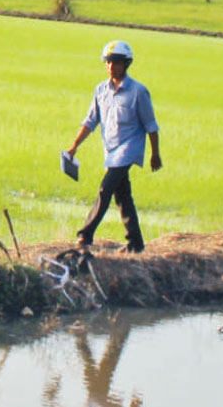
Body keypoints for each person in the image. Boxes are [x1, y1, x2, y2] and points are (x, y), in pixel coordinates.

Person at [65, 40, 161, 253]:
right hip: (110, 151)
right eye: (108, 62)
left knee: (105, 189)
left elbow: (151, 126)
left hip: (128, 150)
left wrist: (155, 154)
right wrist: (74, 146)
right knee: (123, 196)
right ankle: (136, 243)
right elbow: (90, 121)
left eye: (116, 62)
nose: (111, 66)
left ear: (126, 63)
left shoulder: (138, 92)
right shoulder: (101, 90)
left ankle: (85, 235)